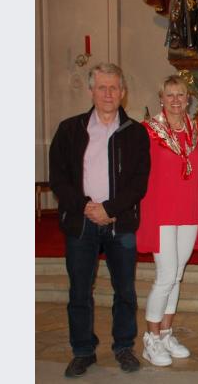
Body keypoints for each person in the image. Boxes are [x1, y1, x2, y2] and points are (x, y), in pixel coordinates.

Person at [49, 63, 150, 377]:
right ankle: (82, 350)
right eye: (102, 87)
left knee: (125, 291)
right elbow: (59, 177)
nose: (108, 94)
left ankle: (123, 347)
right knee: (79, 291)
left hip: (120, 223)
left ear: (123, 92)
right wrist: (86, 207)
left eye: (114, 88)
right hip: (81, 223)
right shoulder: (69, 129)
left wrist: (109, 208)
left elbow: (139, 181)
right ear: (91, 90)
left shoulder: (135, 132)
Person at [135, 75, 198, 366]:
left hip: (187, 210)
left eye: (181, 95)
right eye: (170, 95)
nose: (176, 100)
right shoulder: (148, 131)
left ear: (187, 98)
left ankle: (165, 333)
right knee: (165, 275)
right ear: (161, 99)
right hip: (161, 210)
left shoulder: (197, 130)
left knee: (177, 274)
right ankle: (150, 338)